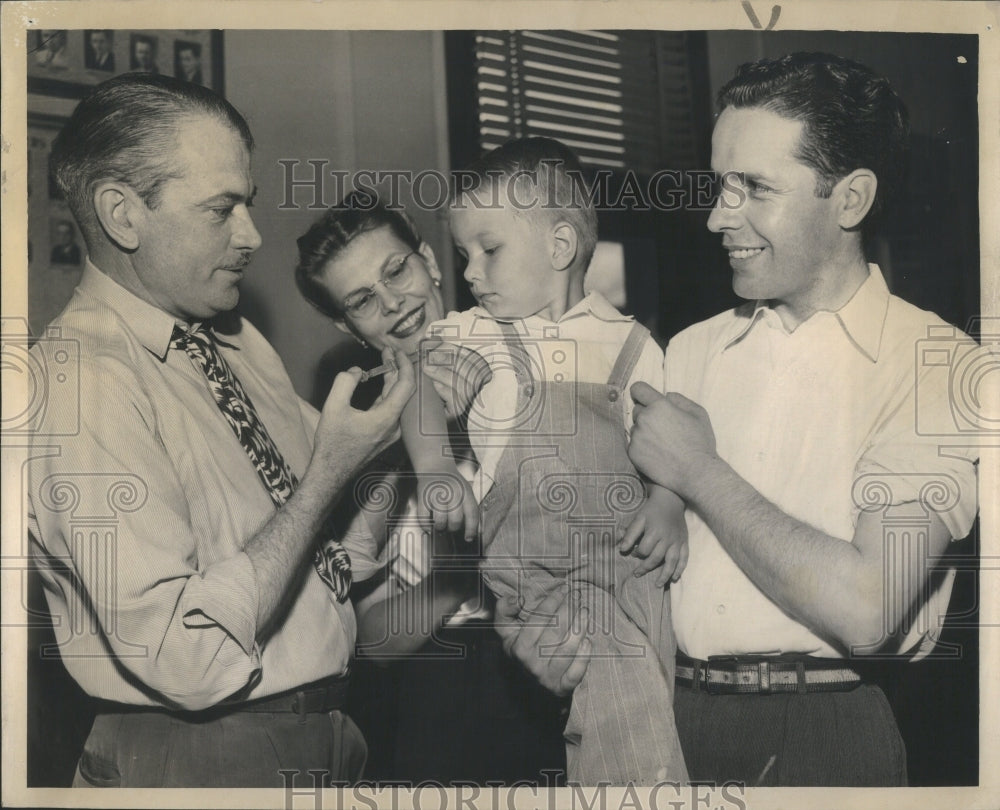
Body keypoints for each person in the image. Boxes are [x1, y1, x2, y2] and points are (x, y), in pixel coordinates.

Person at [27, 72, 414, 788]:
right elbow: (188, 656)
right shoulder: (78, 382)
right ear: (122, 214)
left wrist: (404, 426)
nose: (253, 235)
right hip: (200, 758)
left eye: (250, 205)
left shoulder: (231, 339)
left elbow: (327, 552)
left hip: (327, 735)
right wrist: (332, 472)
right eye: (221, 210)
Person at [622, 52, 980, 785]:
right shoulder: (690, 350)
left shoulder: (942, 363)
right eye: (721, 186)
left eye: (754, 188)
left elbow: (867, 608)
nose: (720, 216)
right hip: (668, 719)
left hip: (828, 732)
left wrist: (698, 471)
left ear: (849, 200)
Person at [412, 137, 689, 785]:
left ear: (560, 248)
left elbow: (671, 441)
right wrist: (432, 466)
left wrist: (669, 504)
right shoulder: (479, 335)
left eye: (489, 249)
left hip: (628, 572)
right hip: (534, 575)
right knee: (625, 722)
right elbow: (422, 393)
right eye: (462, 256)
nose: (471, 273)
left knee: (645, 716)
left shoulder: (632, 344)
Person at [295, 194, 569, 784]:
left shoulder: (537, 352)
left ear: (430, 261)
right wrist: (468, 568)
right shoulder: (359, 438)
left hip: (570, 654)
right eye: (362, 300)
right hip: (449, 697)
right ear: (347, 326)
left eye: (397, 270)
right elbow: (376, 642)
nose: (392, 302)